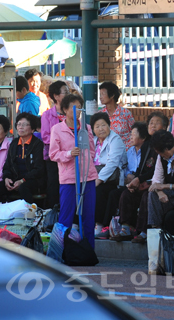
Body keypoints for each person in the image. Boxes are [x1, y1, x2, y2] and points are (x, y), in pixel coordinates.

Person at [49, 94, 98, 248]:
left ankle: (89, 251)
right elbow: (53, 154)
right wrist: (69, 154)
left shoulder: (86, 127)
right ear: (65, 109)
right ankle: (62, 251)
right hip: (68, 177)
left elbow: (91, 149)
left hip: (87, 176)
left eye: (79, 107)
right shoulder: (57, 129)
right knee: (66, 216)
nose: (77, 111)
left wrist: (86, 161)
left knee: (89, 216)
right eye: (73, 107)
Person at [111, 112, 167, 243]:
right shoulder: (146, 145)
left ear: (164, 127)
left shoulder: (165, 143)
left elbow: (157, 170)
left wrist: (140, 180)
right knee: (126, 194)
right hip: (143, 181)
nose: (153, 125)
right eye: (151, 123)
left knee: (147, 196)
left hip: (159, 184)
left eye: (157, 123)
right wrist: (135, 181)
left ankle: (144, 231)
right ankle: (126, 228)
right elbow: (142, 168)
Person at [0, 113, 45, 224]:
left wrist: (22, 180)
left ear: (32, 128)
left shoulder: (37, 144)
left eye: (25, 125)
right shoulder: (14, 143)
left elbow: (39, 169)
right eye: (19, 124)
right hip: (15, 179)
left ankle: (29, 221)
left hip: (32, 181)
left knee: (23, 188)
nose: (20, 127)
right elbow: (7, 165)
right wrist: (6, 178)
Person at [91, 112, 128, 236]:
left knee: (99, 191)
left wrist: (98, 180)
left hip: (113, 179)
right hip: (94, 175)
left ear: (109, 125)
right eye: (97, 126)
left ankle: (101, 226)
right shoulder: (94, 140)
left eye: (103, 125)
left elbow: (112, 163)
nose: (101, 129)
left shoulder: (115, 139)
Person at [41, 80, 69, 210]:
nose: (69, 94)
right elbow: (46, 136)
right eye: (65, 92)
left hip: (70, 157)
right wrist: (62, 142)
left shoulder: (72, 114)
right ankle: (53, 215)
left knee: (68, 185)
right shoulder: (47, 115)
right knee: (53, 185)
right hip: (53, 157)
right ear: (56, 96)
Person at [99, 82, 135, 150]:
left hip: (125, 152)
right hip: (107, 153)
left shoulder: (126, 113)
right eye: (100, 94)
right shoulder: (100, 114)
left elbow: (133, 132)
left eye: (103, 94)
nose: (100, 97)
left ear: (112, 95)